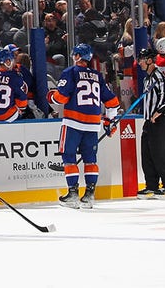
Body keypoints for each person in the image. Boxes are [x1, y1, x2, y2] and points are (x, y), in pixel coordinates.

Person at [49, 43, 120, 209]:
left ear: (77, 56)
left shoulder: (70, 72)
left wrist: (50, 96)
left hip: (73, 121)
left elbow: (61, 98)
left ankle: (73, 194)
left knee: (68, 157)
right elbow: (112, 102)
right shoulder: (97, 75)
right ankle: (89, 195)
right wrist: (110, 120)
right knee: (90, 159)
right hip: (93, 124)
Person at [135, 48, 165, 199]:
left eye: (142, 59)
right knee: (147, 154)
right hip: (149, 121)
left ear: (150, 60)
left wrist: (159, 111)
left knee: (161, 154)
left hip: (160, 120)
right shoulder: (148, 79)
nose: (139, 62)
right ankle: (151, 185)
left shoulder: (159, 76)